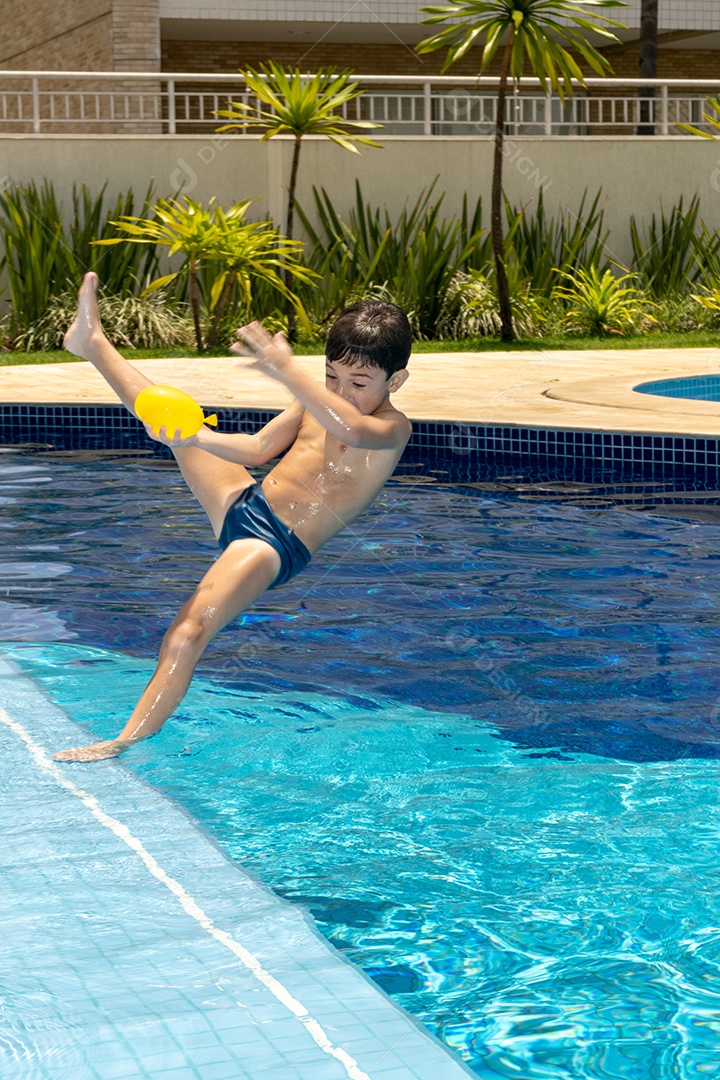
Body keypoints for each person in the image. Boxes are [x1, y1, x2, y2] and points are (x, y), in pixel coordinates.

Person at [54, 272, 412, 762]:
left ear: (396, 381)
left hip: (272, 546)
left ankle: (122, 742)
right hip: (245, 501)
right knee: (177, 412)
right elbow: (258, 447)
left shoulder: (392, 427)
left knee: (186, 633)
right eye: (331, 377)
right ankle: (93, 343)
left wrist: (290, 372)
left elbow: (349, 425)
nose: (341, 391)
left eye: (358, 382)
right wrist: (192, 438)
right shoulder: (315, 402)